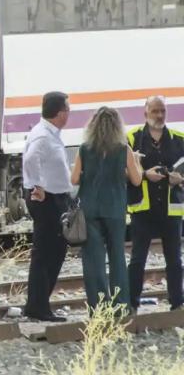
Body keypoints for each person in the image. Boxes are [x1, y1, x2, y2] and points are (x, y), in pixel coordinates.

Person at [72, 107, 141, 310]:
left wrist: (89, 176)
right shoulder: (123, 149)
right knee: (117, 256)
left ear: (92, 126)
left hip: (90, 210)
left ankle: (99, 307)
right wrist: (133, 164)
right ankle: (121, 305)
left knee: (93, 260)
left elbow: (74, 178)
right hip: (115, 209)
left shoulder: (84, 148)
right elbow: (137, 180)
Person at [127, 96, 184, 311]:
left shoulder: (179, 138)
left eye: (163, 111)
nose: (159, 116)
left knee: (174, 260)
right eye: (155, 111)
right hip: (143, 209)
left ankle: (178, 303)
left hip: (172, 208)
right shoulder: (131, 139)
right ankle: (132, 303)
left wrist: (179, 179)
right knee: (137, 259)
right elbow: (121, 172)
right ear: (145, 113)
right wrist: (144, 175)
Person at [21, 92, 72, 322]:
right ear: (60, 113)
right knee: (47, 252)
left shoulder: (49, 132)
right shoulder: (43, 136)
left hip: (54, 197)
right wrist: (38, 186)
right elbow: (31, 159)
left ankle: (39, 303)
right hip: (47, 199)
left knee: (55, 250)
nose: (69, 114)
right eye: (68, 110)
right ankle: (38, 307)